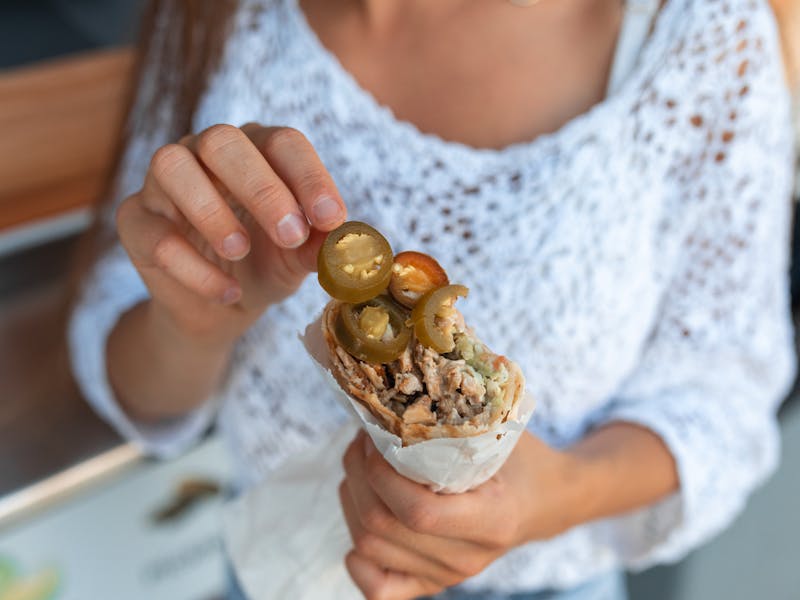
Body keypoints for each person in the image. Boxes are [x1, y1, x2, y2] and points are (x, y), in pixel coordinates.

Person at [68, 0, 798, 598]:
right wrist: (197, 321)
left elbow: (723, 394)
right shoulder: (219, 16)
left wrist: (552, 497)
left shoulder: (702, 33)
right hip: (275, 568)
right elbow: (141, 388)